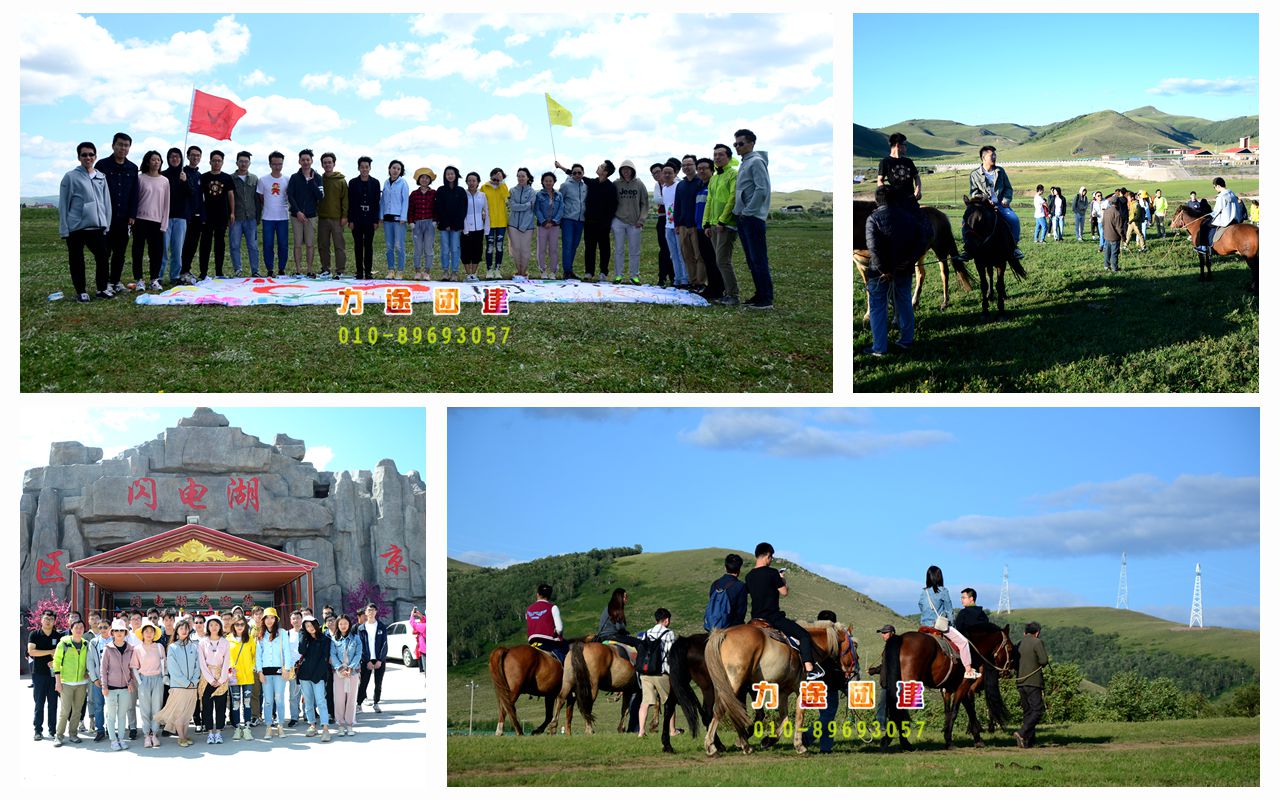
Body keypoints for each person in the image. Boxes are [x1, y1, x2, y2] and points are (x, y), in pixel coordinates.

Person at [864, 185, 930, 356]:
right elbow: (922, 241)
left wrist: (883, 269)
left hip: (879, 274)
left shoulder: (873, 219)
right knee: (904, 303)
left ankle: (879, 348)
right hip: (904, 269)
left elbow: (874, 248)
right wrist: (910, 260)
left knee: (878, 306)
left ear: (877, 200)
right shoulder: (910, 218)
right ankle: (906, 341)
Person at [745, 542, 823, 681]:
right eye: (771, 557)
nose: (771, 560)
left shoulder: (749, 576)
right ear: (767, 555)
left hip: (755, 619)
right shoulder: (773, 573)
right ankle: (810, 670)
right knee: (804, 635)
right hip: (772, 617)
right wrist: (782, 579)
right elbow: (784, 592)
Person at [58, 141, 113, 301]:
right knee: (77, 260)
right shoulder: (70, 177)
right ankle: (81, 291)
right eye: (84, 155)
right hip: (76, 227)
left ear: (95, 156)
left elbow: (106, 202)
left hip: (97, 227)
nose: (88, 157)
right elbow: (63, 204)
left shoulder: (101, 177)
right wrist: (64, 229)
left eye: (91, 154)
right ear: (79, 157)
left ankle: (102, 289)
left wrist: (106, 224)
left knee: (103, 257)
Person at [733, 129, 774, 309]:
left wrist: (749, 211)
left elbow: (762, 189)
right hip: (744, 217)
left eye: (741, 143)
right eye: (735, 144)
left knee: (758, 259)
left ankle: (766, 299)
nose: (737, 147)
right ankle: (759, 294)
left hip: (752, 218)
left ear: (752, 143)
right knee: (751, 259)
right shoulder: (745, 162)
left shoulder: (756, 162)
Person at [918, 565, 979, 680]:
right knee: (964, 642)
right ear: (939, 577)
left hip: (923, 626)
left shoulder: (923, 592)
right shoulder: (943, 591)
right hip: (938, 626)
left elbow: (921, 606)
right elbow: (949, 611)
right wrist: (952, 625)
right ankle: (968, 670)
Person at [964, 145, 1024, 260]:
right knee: (965, 222)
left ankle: (1014, 248)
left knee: (1014, 220)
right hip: (983, 206)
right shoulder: (974, 174)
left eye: (995, 155)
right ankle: (967, 249)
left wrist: (1006, 200)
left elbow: (1008, 188)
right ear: (984, 158)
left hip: (1001, 205)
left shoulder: (1000, 171)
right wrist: (985, 200)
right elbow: (974, 192)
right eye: (992, 155)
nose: (995, 157)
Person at [98, 132, 138, 294]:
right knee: (104, 251)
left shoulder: (132, 168)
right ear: (113, 145)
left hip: (124, 218)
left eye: (126, 145)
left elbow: (135, 194)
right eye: (120, 144)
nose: (123, 148)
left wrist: (132, 215)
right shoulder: (102, 165)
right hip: (106, 217)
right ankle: (104, 282)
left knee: (120, 252)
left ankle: (115, 281)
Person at [704, 144, 740, 304]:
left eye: (721, 155)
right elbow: (709, 201)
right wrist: (706, 223)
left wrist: (722, 220)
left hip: (726, 225)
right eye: (715, 155)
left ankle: (733, 295)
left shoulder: (733, 174)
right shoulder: (714, 177)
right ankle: (726, 292)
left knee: (723, 260)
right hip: (713, 224)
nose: (717, 157)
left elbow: (733, 198)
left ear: (729, 157)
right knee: (718, 260)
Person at [635, 608, 679, 739]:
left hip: (645, 673)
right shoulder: (669, 633)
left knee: (645, 702)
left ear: (656, 620)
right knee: (669, 702)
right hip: (661, 673)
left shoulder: (646, 633)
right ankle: (672, 730)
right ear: (666, 620)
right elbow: (671, 654)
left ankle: (641, 731)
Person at [156, 619, 199, 747]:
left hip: (192, 686)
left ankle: (185, 735)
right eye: (181, 628)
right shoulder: (172, 647)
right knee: (180, 712)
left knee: (188, 712)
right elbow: (173, 669)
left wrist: (194, 681)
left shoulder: (194, 647)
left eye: (186, 628)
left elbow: (198, 666)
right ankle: (181, 737)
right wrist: (186, 683)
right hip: (179, 686)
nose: (184, 631)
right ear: (177, 631)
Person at [52, 620, 91, 746]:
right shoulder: (63, 644)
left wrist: (87, 672)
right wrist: (58, 682)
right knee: (65, 711)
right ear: (71, 629)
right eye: (76, 627)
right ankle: (58, 736)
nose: (79, 629)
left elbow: (89, 662)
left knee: (77, 711)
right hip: (66, 682)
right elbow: (56, 663)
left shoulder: (86, 644)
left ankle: (73, 734)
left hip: (81, 683)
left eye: (81, 627)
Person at [287, 149, 326, 278]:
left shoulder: (318, 177)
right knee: (297, 244)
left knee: (310, 244)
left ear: (311, 161)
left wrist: (312, 182)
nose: (305, 162)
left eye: (307, 160)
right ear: (299, 161)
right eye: (303, 160)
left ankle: (309, 270)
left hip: (311, 216)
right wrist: (297, 211)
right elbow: (290, 195)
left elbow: (320, 196)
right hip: (296, 215)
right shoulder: (294, 177)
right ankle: (298, 270)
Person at [254, 607, 291, 740]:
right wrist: (259, 671)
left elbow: (287, 651)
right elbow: (258, 655)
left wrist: (287, 669)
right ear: (263, 620)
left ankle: (280, 725)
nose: (269, 620)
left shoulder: (282, 633)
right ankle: (269, 726)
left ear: (276, 619)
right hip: (265, 672)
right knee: (268, 701)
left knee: (279, 699)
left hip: (280, 672)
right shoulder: (260, 635)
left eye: (272, 617)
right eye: (267, 617)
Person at [609, 159, 648, 285]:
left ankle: (634, 276)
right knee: (619, 249)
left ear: (633, 170)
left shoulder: (639, 184)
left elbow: (644, 203)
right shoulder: (616, 184)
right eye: (623, 169)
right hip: (618, 221)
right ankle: (618, 275)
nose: (626, 171)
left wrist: (641, 220)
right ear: (620, 171)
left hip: (635, 222)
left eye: (628, 169)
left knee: (634, 250)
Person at [693, 158, 726, 301]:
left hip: (710, 228)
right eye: (699, 168)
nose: (701, 171)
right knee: (707, 259)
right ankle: (711, 286)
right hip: (700, 228)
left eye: (704, 168)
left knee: (714, 260)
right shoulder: (700, 186)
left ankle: (718, 289)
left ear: (711, 170)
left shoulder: (714, 185)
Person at [99, 619, 136, 751]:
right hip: (111, 688)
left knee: (122, 714)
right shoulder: (108, 648)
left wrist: (131, 682)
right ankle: (113, 740)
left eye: (122, 630)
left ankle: (121, 738)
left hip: (125, 688)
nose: (119, 633)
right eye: (117, 630)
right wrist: (104, 686)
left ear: (125, 633)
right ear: (112, 632)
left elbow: (132, 668)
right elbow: (103, 669)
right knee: (111, 715)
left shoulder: (131, 649)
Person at [199, 150, 235, 280]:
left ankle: (219, 272)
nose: (216, 163)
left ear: (222, 162)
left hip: (222, 215)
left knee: (220, 244)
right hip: (207, 216)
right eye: (214, 160)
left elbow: (231, 195)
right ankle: (203, 272)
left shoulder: (226, 178)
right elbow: (199, 196)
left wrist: (232, 212)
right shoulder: (204, 177)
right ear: (210, 162)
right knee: (205, 244)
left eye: (219, 161)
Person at [129, 621, 166, 748]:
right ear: (142, 634)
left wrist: (162, 679)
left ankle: (154, 734)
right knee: (145, 708)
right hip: (143, 679)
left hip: (157, 679)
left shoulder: (160, 647)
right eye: (146, 631)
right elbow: (134, 667)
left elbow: (164, 665)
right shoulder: (137, 649)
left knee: (157, 707)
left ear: (155, 634)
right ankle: (146, 735)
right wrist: (140, 682)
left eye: (151, 631)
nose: (149, 634)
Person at [297, 617, 333, 741]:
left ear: (316, 625)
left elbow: (325, 659)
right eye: (306, 626)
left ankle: (325, 728)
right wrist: (302, 634)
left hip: (318, 675)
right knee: (308, 702)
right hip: (304, 675)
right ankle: (312, 725)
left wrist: (317, 676)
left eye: (311, 625)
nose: (310, 628)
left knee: (321, 702)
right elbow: (301, 650)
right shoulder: (305, 639)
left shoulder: (325, 639)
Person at [581, 160, 619, 282]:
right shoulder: (592, 182)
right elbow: (577, 174)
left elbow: (613, 207)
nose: (598, 167)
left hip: (603, 224)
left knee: (604, 248)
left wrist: (606, 223)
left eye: (602, 166)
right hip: (589, 222)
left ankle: (603, 272)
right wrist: (560, 167)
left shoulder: (611, 187)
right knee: (589, 248)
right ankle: (589, 272)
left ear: (606, 172)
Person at [1014, 622, 1048, 748]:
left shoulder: (1019, 644)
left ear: (1025, 632)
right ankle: (1022, 733)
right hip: (1033, 681)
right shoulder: (1037, 642)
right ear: (1037, 632)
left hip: (1020, 682)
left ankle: (1028, 741)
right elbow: (1044, 661)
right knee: (1037, 710)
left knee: (1028, 712)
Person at [29, 609, 61, 741]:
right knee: (39, 703)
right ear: (41, 619)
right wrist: (50, 652)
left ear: (54, 622)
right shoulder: (35, 634)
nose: (48, 621)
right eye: (46, 618)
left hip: (54, 676)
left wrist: (55, 660)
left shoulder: (58, 636)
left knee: (53, 703)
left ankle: (52, 730)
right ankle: (38, 730)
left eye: (51, 619)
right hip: (39, 674)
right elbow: (32, 652)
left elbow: (61, 655)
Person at [675, 155, 707, 290]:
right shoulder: (681, 185)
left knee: (699, 255)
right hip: (682, 225)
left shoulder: (700, 182)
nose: (686, 167)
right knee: (687, 255)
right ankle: (692, 281)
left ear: (695, 166)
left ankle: (701, 282)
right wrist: (677, 223)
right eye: (684, 165)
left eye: (689, 164)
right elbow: (677, 205)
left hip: (696, 225)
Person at [197, 616, 231, 744]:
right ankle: (210, 732)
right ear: (208, 627)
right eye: (211, 625)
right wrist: (211, 679)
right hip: (207, 679)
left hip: (221, 677)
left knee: (220, 706)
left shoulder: (225, 642)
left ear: (220, 626)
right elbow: (202, 662)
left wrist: (222, 678)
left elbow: (227, 661)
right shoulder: (202, 642)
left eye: (216, 624)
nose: (214, 627)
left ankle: (219, 732)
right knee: (207, 706)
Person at [347, 156, 381, 280]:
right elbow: (350, 202)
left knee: (368, 245)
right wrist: (350, 220)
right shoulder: (352, 182)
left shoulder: (376, 183)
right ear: (358, 168)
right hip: (357, 218)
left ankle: (368, 271)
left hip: (370, 219)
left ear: (370, 168)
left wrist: (376, 220)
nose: (364, 169)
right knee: (358, 245)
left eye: (366, 167)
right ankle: (359, 271)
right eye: (362, 167)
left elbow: (377, 202)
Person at [258, 151, 291, 278]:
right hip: (267, 218)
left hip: (283, 217)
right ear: (270, 164)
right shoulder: (263, 180)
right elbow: (261, 197)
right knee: (268, 244)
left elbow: (289, 196)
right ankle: (270, 269)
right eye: (274, 164)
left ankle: (282, 268)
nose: (277, 166)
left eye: (280, 164)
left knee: (283, 244)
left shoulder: (287, 179)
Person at [160, 148, 190, 286]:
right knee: (163, 249)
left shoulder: (185, 174)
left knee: (177, 249)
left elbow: (190, 194)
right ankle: (158, 276)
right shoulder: (163, 175)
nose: (175, 159)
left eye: (177, 157)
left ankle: (175, 275)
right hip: (165, 217)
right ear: (168, 158)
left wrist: (184, 181)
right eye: (172, 156)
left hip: (181, 217)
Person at [228, 151, 261, 277]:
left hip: (250, 217)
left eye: (246, 161)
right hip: (235, 217)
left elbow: (257, 199)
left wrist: (258, 216)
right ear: (237, 163)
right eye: (241, 161)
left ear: (249, 163)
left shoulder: (254, 178)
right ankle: (238, 270)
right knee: (235, 244)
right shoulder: (231, 178)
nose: (243, 164)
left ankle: (255, 270)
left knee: (253, 245)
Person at [330, 614, 362, 736]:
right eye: (341, 624)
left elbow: (358, 654)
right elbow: (332, 655)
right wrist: (341, 668)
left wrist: (350, 667)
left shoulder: (356, 638)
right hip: (339, 673)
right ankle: (340, 724)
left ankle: (349, 724)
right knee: (339, 699)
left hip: (352, 672)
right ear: (338, 625)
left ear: (349, 625)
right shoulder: (334, 639)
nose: (343, 626)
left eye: (345, 623)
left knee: (351, 698)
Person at [317, 152, 349, 279]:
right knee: (323, 245)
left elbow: (345, 199)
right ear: (322, 165)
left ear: (334, 163)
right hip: (323, 218)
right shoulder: (319, 180)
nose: (327, 164)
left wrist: (345, 216)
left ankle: (340, 270)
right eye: (325, 162)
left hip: (337, 219)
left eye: (329, 162)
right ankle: (326, 269)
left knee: (339, 246)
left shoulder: (341, 180)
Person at [434, 166, 467, 281]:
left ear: (456, 175)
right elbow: (439, 208)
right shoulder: (441, 190)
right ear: (445, 176)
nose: (450, 176)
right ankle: (445, 271)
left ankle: (454, 272)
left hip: (457, 226)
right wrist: (446, 223)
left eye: (452, 174)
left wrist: (456, 224)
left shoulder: (461, 191)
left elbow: (463, 209)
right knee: (445, 249)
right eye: (448, 174)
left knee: (455, 249)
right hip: (444, 225)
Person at [659, 164, 688, 288]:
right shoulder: (664, 188)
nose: (666, 175)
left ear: (675, 174)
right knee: (673, 254)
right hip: (668, 225)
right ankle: (677, 278)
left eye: (669, 173)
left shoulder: (678, 186)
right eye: (664, 172)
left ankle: (685, 279)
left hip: (678, 225)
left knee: (682, 253)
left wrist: (679, 223)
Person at [227, 618, 257, 740]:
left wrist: (253, 667)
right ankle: (237, 728)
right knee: (235, 703)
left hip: (247, 676)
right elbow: (225, 657)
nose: (239, 626)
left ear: (245, 625)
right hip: (233, 676)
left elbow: (254, 656)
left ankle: (247, 728)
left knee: (247, 702)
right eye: (237, 624)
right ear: (233, 626)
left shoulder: (250, 639)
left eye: (242, 624)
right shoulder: (227, 639)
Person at [1200, 177, 1244, 257]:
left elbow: (1217, 211)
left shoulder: (1221, 196)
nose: (1215, 189)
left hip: (1225, 220)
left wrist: (1209, 215)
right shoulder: (1232, 194)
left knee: (1205, 226)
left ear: (1218, 186)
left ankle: (1205, 248)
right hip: (1235, 219)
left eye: (1214, 187)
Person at [357, 603, 389, 713]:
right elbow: (360, 646)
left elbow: (384, 644)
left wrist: (380, 660)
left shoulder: (381, 626)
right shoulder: (361, 628)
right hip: (366, 660)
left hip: (379, 660)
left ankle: (376, 703)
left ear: (376, 612)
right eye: (369, 610)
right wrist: (367, 660)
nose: (371, 612)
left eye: (373, 610)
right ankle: (359, 704)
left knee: (378, 683)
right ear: (365, 613)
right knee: (363, 683)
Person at [180, 145, 205, 284]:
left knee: (192, 245)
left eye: (198, 155)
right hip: (184, 215)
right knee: (183, 245)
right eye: (193, 155)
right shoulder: (183, 173)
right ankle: (181, 270)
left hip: (197, 215)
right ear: (188, 156)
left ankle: (187, 269)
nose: (195, 158)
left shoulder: (200, 176)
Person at [557, 162, 587, 280]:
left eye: (579, 173)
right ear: (572, 174)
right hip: (568, 219)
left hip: (580, 220)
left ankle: (570, 269)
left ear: (583, 173)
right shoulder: (565, 185)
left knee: (574, 245)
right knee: (567, 245)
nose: (577, 175)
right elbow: (559, 201)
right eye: (574, 173)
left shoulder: (585, 186)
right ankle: (567, 271)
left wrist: (560, 166)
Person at [382, 159, 410, 279]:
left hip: (399, 220)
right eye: (394, 168)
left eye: (398, 169)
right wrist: (381, 216)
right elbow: (383, 200)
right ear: (389, 169)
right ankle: (391, 269)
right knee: (389, 246)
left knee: (399, 246)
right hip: (387, 219)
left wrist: (403, 217)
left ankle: (400, 270)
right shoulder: (386, 183)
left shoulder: (403, 183)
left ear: (401, 171)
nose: (395, 170)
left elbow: (405, 201)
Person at [704, 553, 748, 630]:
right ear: (739, 570)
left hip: (713, 629)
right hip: (731, 629)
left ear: (725, 568)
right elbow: (741, 613)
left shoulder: (715, 584)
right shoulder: (740, 586)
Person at [507, 167, 537, 279]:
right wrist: (526, 205)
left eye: (523, 176)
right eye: (519, 176)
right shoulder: (512, 191)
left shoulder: (532, 192)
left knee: (525, 249)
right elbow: (513, 206)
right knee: (516, 249)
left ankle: (523, 272)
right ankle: (518, 271)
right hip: (513, 224)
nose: (521, 178)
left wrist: (524, 226)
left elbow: (531, 209)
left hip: (527, 226)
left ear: (527, 177)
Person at [408, 167, 437, 280]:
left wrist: (435, 220)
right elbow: (410, 209)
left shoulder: (433, 193)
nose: (424, 180)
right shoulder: (414, 194)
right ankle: (418, 271)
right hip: (417, 224)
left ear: (430, 180)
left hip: (430, 223)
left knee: (428, 248)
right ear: (418, 180)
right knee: (418, 248)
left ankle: (427, 272)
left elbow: (436, 208)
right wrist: (411, 222)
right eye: (422, 178)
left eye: (427, 178)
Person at [876, 132, 922, 204]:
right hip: (894, 201)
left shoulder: (908, 161)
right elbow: (880, 180)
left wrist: (918, 190)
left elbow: (916, 177)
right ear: (898, 145)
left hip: (911, 199)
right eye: (905, 145)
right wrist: (884, 194)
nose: (906, 148)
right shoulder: (885, 162)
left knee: (920, 215)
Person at [481, 168, 510, 279]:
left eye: (500, 176)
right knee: (489, 247)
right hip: (489, 222)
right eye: (496, 175)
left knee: (499, 247)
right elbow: (481, 202)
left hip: (501, 222)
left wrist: (501, 182)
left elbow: (506, 197)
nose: (497, 177)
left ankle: (497, 270)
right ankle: (489, 270)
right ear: (491, 175)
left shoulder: (503, 186)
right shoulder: (484, 187)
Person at [461, 171, 490, 282]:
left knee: (477, 251)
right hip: (466, 227)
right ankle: (468, 274)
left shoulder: (482, 195)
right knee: (466, 251)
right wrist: (465, 227)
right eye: (469, 181)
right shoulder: (463, 194)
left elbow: (486, 211)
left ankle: (474, 274)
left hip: (479, 228)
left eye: (474, 181)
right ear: (466, 182)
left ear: (478, 182)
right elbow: (462, 212)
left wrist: (486, 227)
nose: (471, 183)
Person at [526, 584, 567, 660]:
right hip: (548, 643)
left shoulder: (528, 609)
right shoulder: (553, 607)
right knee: (567, 659)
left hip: (532, 643)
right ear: (550, 595)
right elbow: (560, 629)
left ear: (537, 594)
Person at [534, 171, 563, 279]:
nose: (548, 183)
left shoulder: (559, 195)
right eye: (546, 181)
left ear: (554, 182)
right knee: (541, 249)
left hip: (555, 226)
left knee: (553, 249)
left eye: (550, 181)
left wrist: (554, 221)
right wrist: (544, 221)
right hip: (542, 225)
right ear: (542, 182)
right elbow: (537, 209)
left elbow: (561, 209)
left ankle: (553, 271)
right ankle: (542, 270)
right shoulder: (539, 194)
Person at [86, 619, 111, 741]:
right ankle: (99, 730)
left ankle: (111, 729)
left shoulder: (115, 640)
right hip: (98, 680)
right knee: (98, 706)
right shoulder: (94, 642)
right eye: (100, 627)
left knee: (113, 706)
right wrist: (94, 678)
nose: (102, 630)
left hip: (113, 679)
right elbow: (90, 661)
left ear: (110, 627)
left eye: (105, 627)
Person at [652, 163, 675, 287]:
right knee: (664, 249)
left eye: (658, 171)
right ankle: (662, 277)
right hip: (662, 219)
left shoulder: (675, 183)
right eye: (654, 173)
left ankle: (674, 276)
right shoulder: (658, 186)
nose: (657, 175)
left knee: (674, 250)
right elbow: (657, 200)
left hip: (674, 219)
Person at [1101, 191, 1125, 273]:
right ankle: (1115, 268)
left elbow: (1103, 224)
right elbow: (1119, 228)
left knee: (1107, 252)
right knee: (1114, 253)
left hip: (1107, 236)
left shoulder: (1106, 212)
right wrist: (1123, 237)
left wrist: (1105, 232)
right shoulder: (1117, 213)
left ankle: (1106, 266)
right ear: (1117, 203)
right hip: (1115, 237)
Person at [409, 607, 425, 676]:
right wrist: (421, 616)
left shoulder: (423, 626)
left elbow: (413, 624)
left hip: (424, 649)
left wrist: (412, 615)